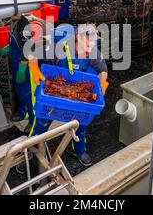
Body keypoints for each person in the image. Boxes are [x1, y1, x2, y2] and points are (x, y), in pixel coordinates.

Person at [29, 24, 109, 166]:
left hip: (76, 94)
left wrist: (102, 84)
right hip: (53, 96)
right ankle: (29, 151)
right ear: (78, 38)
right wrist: (35, 69)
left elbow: (103, 70)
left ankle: (79, 151)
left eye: (94, 41)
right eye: (89, 41)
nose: (92, 45)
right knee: (40, 124)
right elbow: (32, 53)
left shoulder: (93, 53)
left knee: (80, 126)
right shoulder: (58, 48)